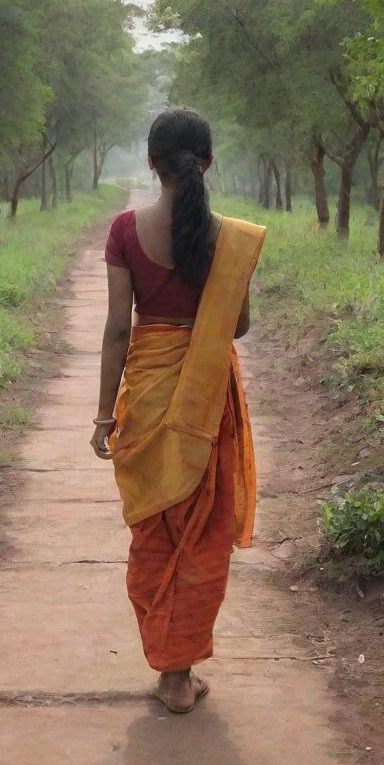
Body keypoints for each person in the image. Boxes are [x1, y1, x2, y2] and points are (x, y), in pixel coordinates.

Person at [90, 109, 266, 714]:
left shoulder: (123, 231)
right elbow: (237, 325)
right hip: (207, 397)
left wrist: (103, 417)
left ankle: (169, 670)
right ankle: (180, 674)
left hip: (146, 396)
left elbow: (118, 328)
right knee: (202, 533)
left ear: (150, 163)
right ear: (208, 163)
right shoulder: (231, 238)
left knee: (156, 531)